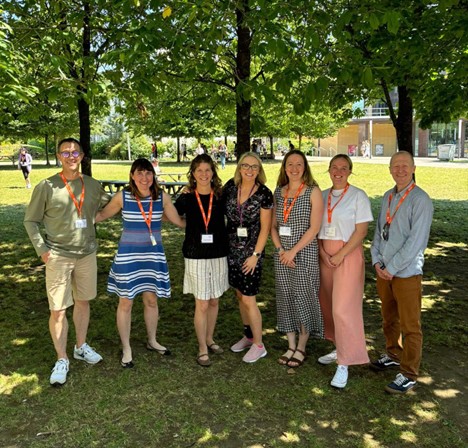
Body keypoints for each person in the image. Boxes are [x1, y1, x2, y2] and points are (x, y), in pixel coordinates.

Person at [24, 138, 110, 386]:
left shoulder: (93, 185)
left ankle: (80, 346)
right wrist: (42, 250)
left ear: (82, 156)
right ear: (59, 156)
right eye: (66, 152)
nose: (71, 156)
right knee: (58, 309)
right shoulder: (47, 186)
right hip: (58, 256)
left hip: (87, 254)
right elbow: (31, 220)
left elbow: (108, 206)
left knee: (83, 302)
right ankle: (62, 358)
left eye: (75, 152)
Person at [96, 158, 185, 368]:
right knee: (126, 302)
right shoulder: (123, 196)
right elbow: (101, 215)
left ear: (153, 175)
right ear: (132, 176)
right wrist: (74, 217)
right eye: (140, 173)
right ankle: (126, 347)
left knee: (151, 300)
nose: (144, 178)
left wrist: (205, 225)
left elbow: (179, 222)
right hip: (128, 256)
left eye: (148, 173)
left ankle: (152, 340)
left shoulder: (162, 197)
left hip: (152, 256)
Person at [370, 151, 433, 394]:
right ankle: (393, 354)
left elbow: (416, 242)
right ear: (389, 169)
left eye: (405, 165)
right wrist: (377, 261)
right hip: (384, 271)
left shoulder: (420, 200)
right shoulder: (387, 196)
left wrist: (391, 268)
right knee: (389, 318)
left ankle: (408, 372)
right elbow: (378, 233)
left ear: (414, 167)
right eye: (396, 165)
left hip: (406, 274)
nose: (400, 170)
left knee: (410, 325)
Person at [317, 154, 373, 388]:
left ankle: (345, 362)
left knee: (343, 308)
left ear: (350, 171)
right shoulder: (322, 196)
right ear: (329, 170)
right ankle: (339, 347)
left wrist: (340, 254)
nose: (338, 171)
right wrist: (322, 253)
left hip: (347, 255)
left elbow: (361, 232)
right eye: (334, 167)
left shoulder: (358, 196)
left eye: (343, 168)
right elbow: (314, 227)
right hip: (325, 255)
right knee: (328, 304)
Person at [174, 154, 229, 367]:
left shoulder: (221, 196)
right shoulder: (187, 197)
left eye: (208, 170)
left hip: (219, 253)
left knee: (215, 299)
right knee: (202, 303)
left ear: (213, 173)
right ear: (193, 174)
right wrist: (185, 226)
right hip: (195, 254)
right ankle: (202, 348)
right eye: (199, 171)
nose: (204, 175)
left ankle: (209, 337)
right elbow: (172, 215)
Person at [271, 150, 324, 368]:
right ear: (284, 167)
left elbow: (315, 228)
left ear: (305, 167)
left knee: (303, 296)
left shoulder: (313, 191)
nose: (294, 168)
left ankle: (302, 345)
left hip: (305, 254)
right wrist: (282, 250)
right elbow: (273, 227)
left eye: (299, 164)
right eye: (290, 164)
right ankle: (290, 344)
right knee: (285, 296)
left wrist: (293, 251)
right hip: (281, 254)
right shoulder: (278, 192)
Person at [223, 152, 273, 363]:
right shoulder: (230, 188)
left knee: (249, 298)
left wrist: (255, 255)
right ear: (239, 167)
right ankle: (249, 335)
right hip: (231, 250)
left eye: (254, 167)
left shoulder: (264, 194)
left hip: (251, 253)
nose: (250, 170)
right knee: (240, 296)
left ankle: (259, 345)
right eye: (246, 166)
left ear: (259, 170)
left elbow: (265, 228)